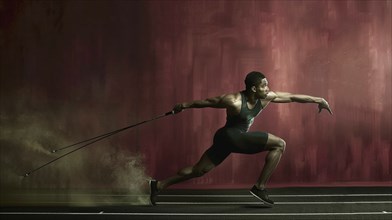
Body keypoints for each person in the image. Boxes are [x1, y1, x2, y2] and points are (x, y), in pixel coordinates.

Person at [149, 71, 333, 207]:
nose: (267, 88)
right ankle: (259, 187)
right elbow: (207, 102)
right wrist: (183, 106)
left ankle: (158, 185)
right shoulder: (234, 100)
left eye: (267, 85)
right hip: (229, 135)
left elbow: (292, 97)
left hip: (228, 140)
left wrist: (319, 100)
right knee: (280, 144)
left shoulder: (267, 97)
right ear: (253, 88)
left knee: (199, 170)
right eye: (264, 85)